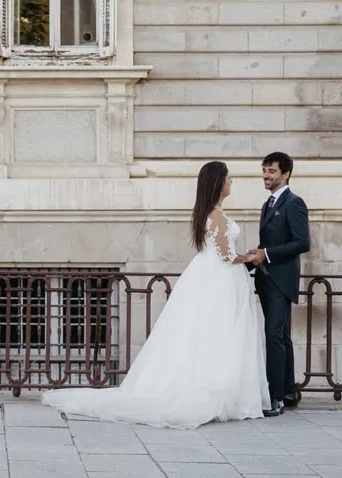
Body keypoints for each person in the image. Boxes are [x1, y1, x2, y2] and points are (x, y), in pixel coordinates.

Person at [40, 161, 268, 428]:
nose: (232, 183)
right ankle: (216, 391)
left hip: (211, 275)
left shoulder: (208, 212)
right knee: (219, 331)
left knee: (205, 331)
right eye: (229, 179)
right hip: (220, 277)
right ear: (218, 183)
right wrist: (253, 257)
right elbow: (226, 255)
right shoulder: (216, 215)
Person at [238, 151, 310, 417]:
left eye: (271, 171)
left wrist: (265, 254)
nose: (266, 176)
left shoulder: (295, 203)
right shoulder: (267, 204)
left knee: (273, 337)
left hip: (281, 281)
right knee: (281, 336)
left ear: (286, 173)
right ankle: (289, 390)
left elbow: (303, 242)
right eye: (264, 171)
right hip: (266, 279)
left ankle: (275, 397)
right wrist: (255, 257)